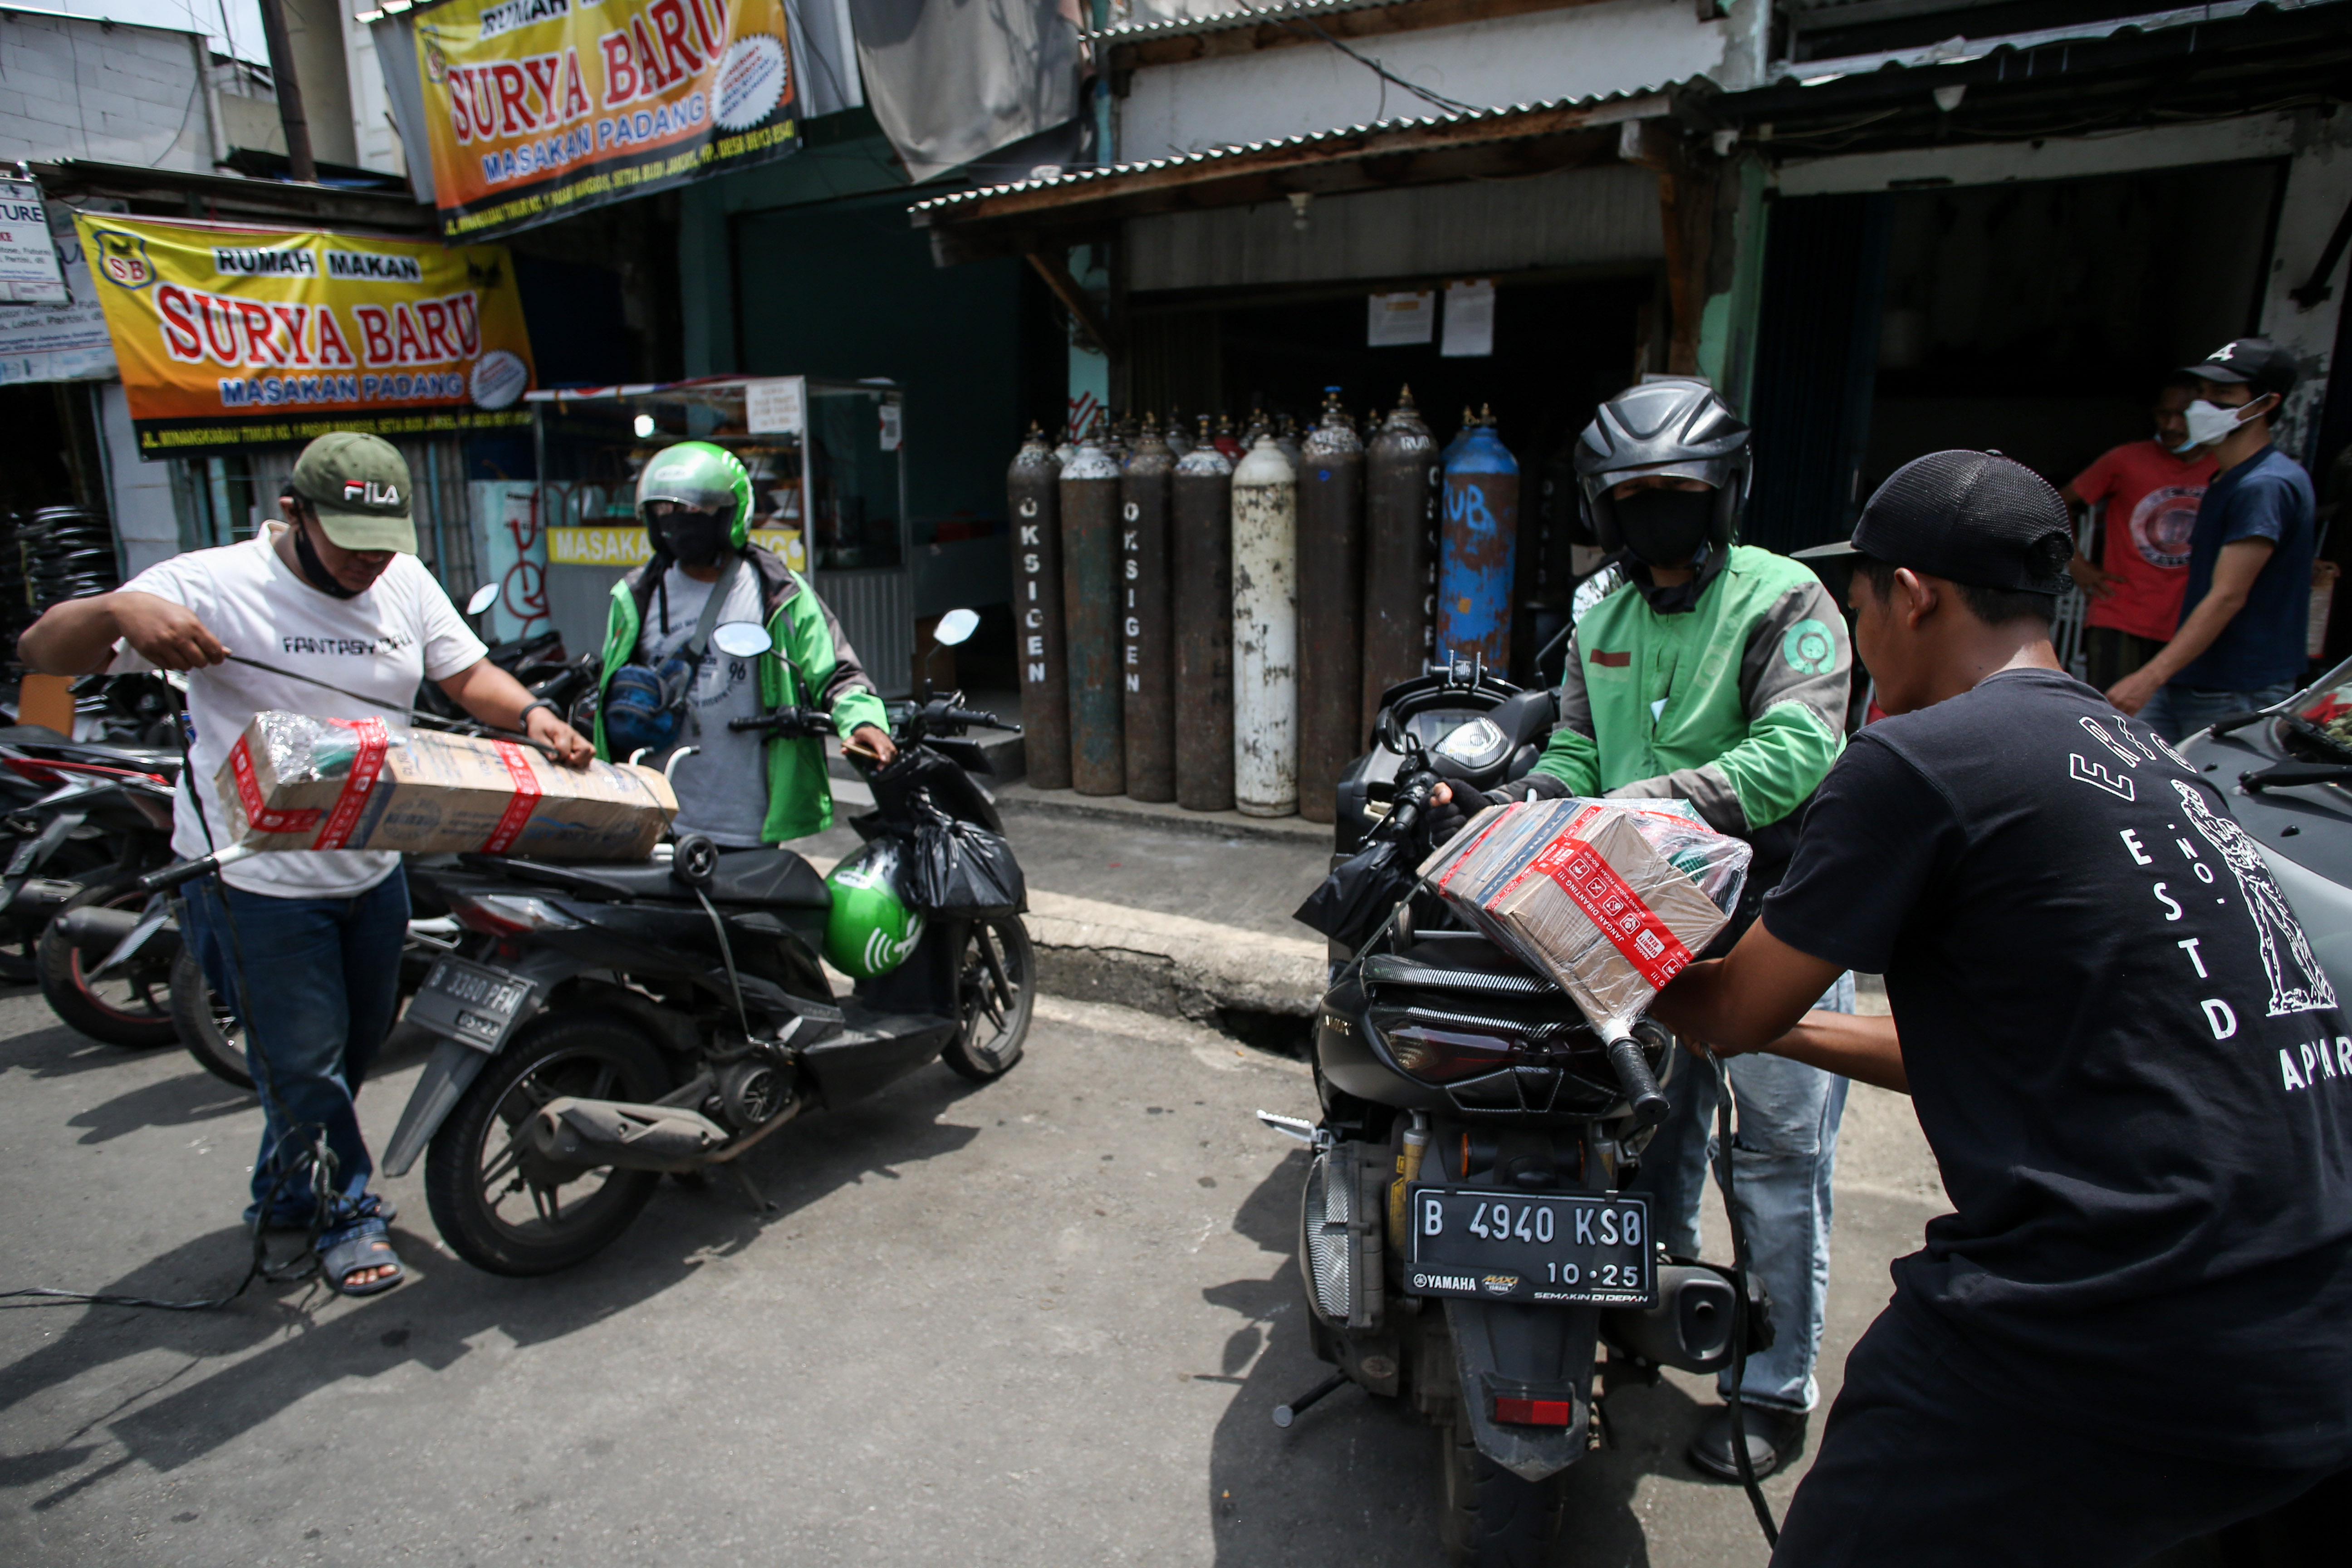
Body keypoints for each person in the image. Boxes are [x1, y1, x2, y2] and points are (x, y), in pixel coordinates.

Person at [1655, 449, 2352, 1565]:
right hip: (2307, 1324)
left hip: (2110, 1308)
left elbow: (1731, 1009)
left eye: (1859, 604)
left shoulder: (1916, 759)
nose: (1854, 635)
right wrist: (1776, 1022)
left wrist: (1606, 961)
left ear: (1913, 595)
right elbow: (2002, 1045)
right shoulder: (2141, 755)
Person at [17, 432, 594, 1295]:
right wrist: (114, 612)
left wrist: (533, 715)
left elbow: (466, 673)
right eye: (351, 546)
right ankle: (348, 1214)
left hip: (369, 869)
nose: (370, 566)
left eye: (383, 546)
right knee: (304, 1064)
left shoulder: (400, 579)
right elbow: (41, 653)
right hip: (257, 884)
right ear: (294, 514)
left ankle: (286, 1193)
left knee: (347, 1055)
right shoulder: (208, 583)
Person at [1429, 379, 1855, 1481]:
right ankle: (1658, 1304)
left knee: (1771, 1163)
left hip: (1776, 920)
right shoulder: (1598, 609)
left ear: (1722, 493)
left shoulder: (1787, 598)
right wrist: (1529, 799)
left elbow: (1797, 751)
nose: (1653, 513)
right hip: (1639, 921)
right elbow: (1575, 747)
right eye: (1633, 497)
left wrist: (1653, 800)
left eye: (1676, 492)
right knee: (1652, 1134)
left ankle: (1773, 1388)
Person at [593, 441, 893, 844]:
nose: (679, 522)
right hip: (655, 813)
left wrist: (864, 722)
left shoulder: (778, 592)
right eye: (666, 510)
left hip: (747, 820)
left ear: (730, 514)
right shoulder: (636, 597)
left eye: (694, 510)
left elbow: (836, 672)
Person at [2107, 338, 2316, 740]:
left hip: (2236, 688)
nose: (2204, 405)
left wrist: (2148, 677)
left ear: (2266, 404)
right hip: (2197, 678)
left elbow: (2228, 595)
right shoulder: (2230, 478)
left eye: (2223, 395)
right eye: (2201, 392)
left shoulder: (2264, 485)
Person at [2063, 374, 2216, 692]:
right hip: (2121, 611)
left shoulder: (2224, 467)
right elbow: (2056, 501)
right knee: (2110, 716)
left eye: (2184, 415)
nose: (2172, 426)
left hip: (2189, 618)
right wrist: (2075, 561)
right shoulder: (2127, 459)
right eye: (2164, 414)